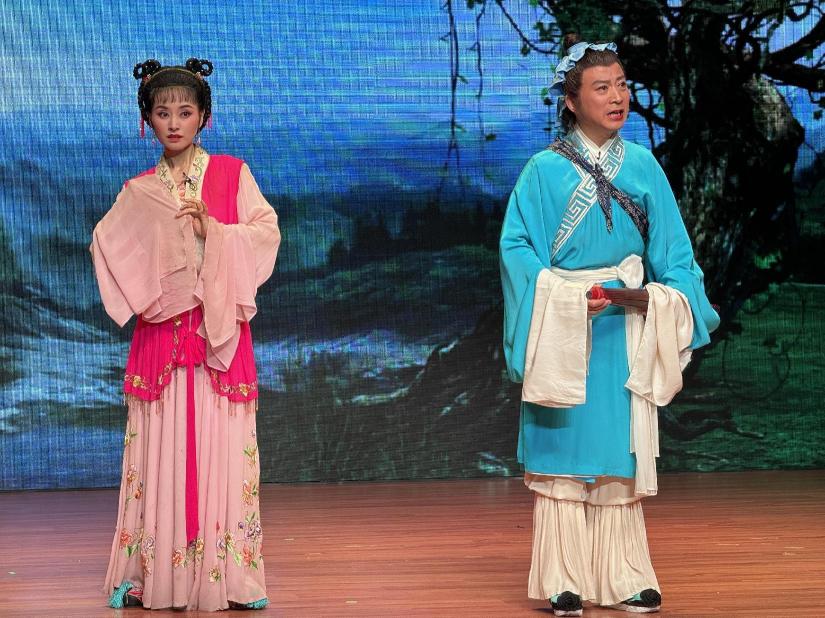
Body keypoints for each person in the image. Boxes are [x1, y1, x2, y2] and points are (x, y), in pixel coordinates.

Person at [500, 36, 719, 616]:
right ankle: (562, 578)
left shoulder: (643, 165)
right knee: (564, 450)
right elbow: (517, 250)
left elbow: (675, 253)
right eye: (602, 87)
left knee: (618, 453)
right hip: (562, 325)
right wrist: (564, 298)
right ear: (572, 101)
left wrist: (666, 298)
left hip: (623, 331)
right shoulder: (542, 172)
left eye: (622, 84)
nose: (618, 96)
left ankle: (625, 575)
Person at [91, 58, 280, 611]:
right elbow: (106, 244)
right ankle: (154, 572)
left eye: (185, 112)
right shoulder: (139, 191)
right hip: (162, 338)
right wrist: (153, 280)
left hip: (216, 337)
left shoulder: (232, 174)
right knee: (163, 452)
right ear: (146, 121)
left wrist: (213, 232)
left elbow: (266, 234)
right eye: (162, 113)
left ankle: (229, 576)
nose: (173, 123)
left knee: (221, 449)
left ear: (205, 118)